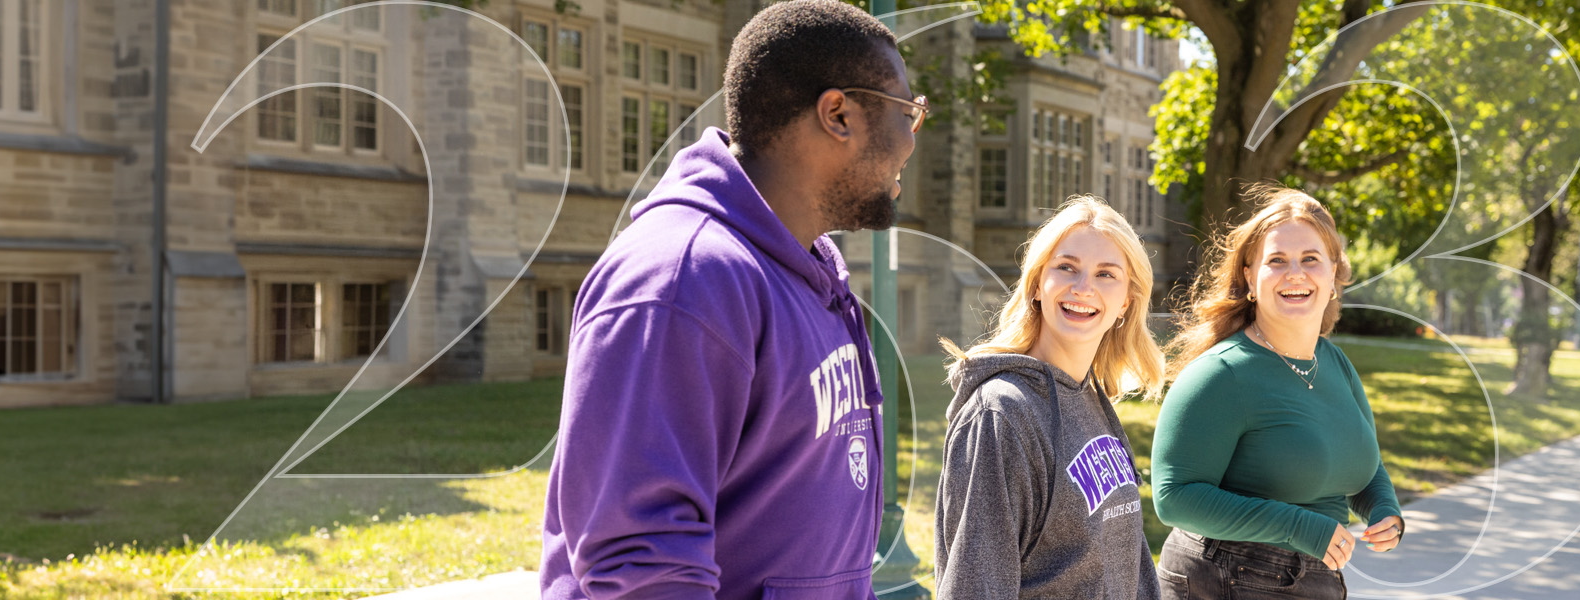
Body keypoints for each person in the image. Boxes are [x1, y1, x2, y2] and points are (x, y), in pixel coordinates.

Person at [539, 1, 928, 598]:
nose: (911, 136)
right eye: (909, 111)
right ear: (838, 114)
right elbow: (641, 564)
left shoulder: (808, 267)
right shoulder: (680, 280)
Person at [1150, 184, 1405, 599]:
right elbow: (1173, 497)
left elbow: (1359, 458)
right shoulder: (1222, 374)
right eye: (1277, 261)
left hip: (1317, 578)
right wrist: (1299, 526)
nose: (1295, 274)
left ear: (1334, 274)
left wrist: (1384, 508)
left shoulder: (1333, 362)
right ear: (1250, 277)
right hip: (1226, 577)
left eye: (1310, 259)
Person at [934, 196, 1166, 598]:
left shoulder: (1090, 398)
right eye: (1066, 268)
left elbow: (1127, 563)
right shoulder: (1002, 415)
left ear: (1126, 301)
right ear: (1038, 284)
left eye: (1106, 274)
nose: (1083, 288)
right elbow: (976, 586)